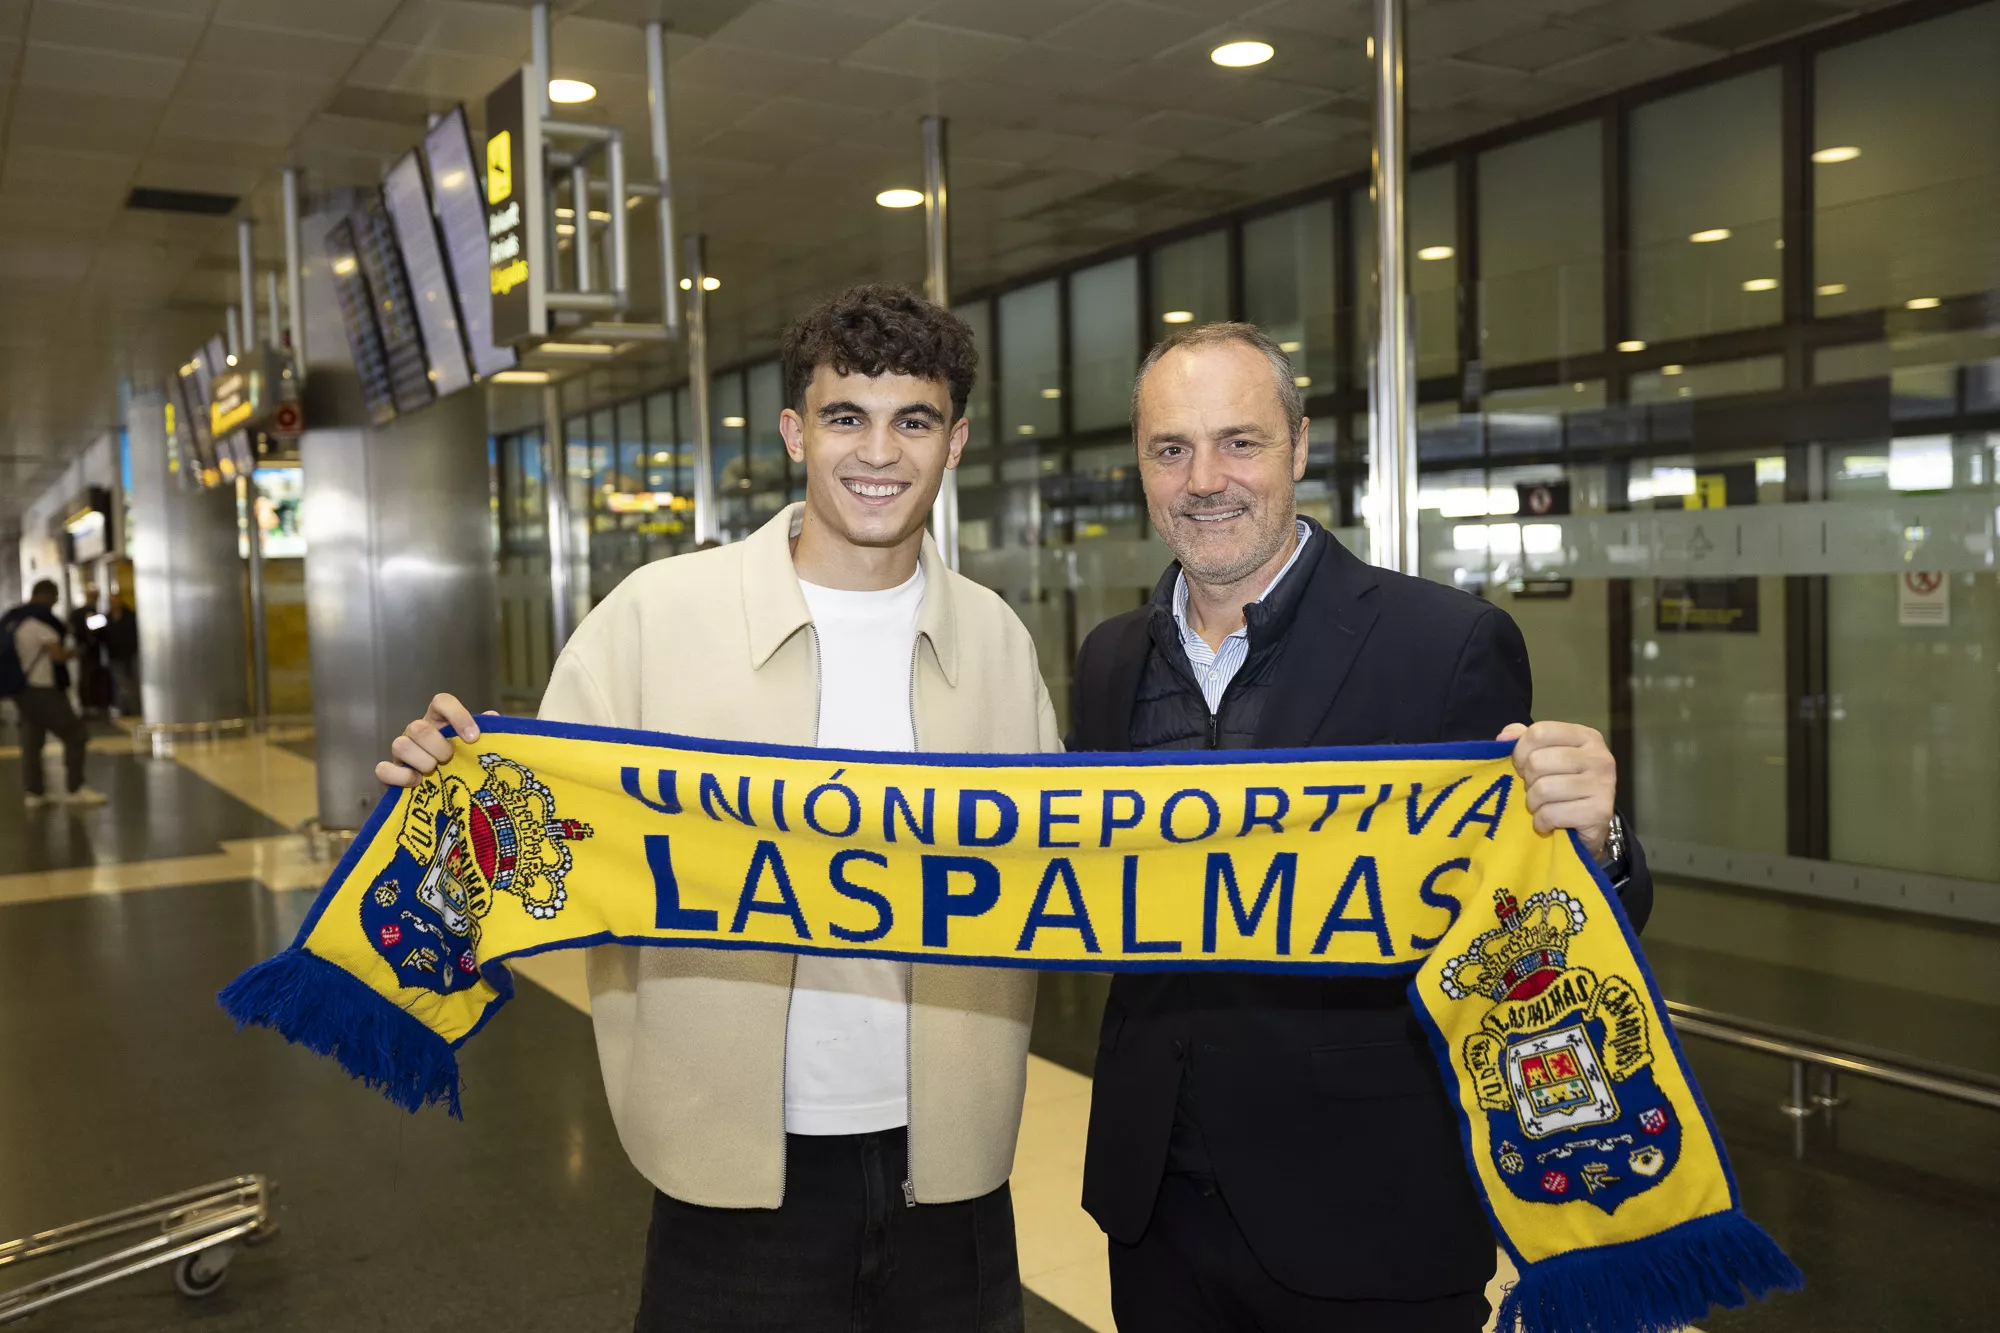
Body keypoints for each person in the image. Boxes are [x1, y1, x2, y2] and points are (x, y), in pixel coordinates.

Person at [375, 286, 1058, 1333]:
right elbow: (537, 845)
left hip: (951, 1163)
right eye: (845, 417)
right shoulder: (656, 616)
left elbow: (1059, 870)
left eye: (911, 420)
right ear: (795, 431)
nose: (877, 452)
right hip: (735, 1172)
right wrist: (449, 789)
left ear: (954, 442)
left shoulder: (998, 639)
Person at [1068, 323, 1655, 1333]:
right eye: (1171, 449)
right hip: (1153, 1204)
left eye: (1238, 442)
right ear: (1141, 467)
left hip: (1365, 1217)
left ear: (1297, 448)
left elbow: (1523, 911)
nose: (1204, 478)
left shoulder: (1442, 645)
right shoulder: (1107, 659)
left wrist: (1592, 840)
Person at [6, 580, 107, 808]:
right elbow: (57, 655)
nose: (56, 602)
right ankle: (76, 787)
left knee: (32, 740)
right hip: (41, 689)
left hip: (20, 690)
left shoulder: (14, 620)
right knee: (76, 734)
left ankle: (34, 792)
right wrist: (75, 653)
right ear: (48, 596)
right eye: (55, 597)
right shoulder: (41, 624)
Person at [102, 597, 140, 719]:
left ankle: (135, 708)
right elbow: (101, 636)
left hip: (131, 653)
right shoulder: (106, 618)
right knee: (122, 684)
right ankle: (126, 709)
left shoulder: (130, 616)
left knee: (134, 682)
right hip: (115, 655)